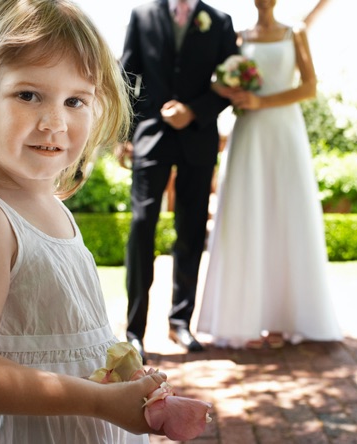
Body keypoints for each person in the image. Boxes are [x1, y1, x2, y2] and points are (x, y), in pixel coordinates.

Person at [0, 0, 168, 441]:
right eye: (28, 95)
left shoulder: (51, 206)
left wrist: (117, 377)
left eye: (75, 101)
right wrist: (95, 402)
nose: (54, 122)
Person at [196, 0, 344, 349]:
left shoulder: (296, 33)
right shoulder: (237, 36)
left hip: (284, 132)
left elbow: (309, 87)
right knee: (247, 218)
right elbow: (216, 83)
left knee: (286, 217)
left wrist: (262, 101)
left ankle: (282, 319)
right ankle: (244, 319)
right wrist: (231, 90)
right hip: (248, 133)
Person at [117, 0, 239, 360]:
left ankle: (180, 322)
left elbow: (231, 81)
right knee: (142, 225)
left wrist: (194, 111)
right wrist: (125, 133)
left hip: (198, 138)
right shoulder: (142, 15)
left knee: (191, 229)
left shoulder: (219, 21)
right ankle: (134, 329)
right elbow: (127, 75)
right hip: (150, 137)